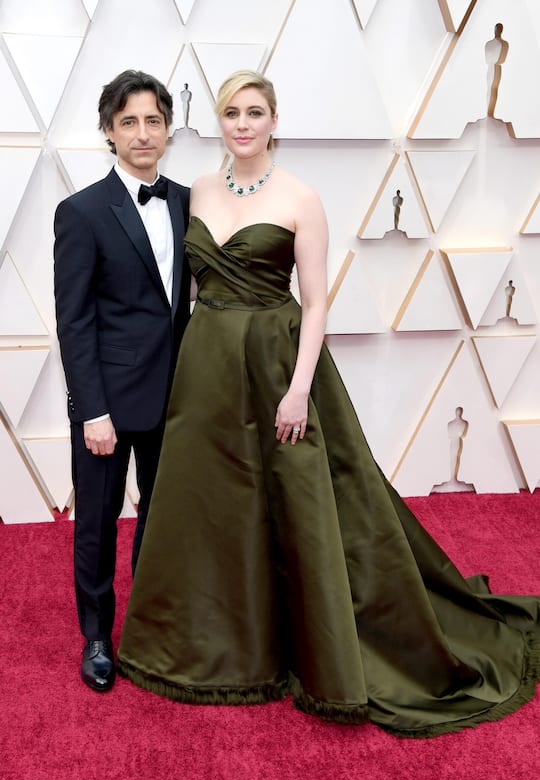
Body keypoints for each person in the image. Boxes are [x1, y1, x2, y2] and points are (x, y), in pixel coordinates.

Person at [117, 70, 539, 736]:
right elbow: (191, 291)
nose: (244, 123)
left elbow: (315, 303)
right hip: (207, 369)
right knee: (211, 508)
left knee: (299, 505)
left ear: (274, 120)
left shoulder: (300, 198)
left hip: (280, 364)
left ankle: (313, 645)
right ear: (219, 122)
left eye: (255, 112)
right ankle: (209, 648)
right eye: (232, 112)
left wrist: (298, 390)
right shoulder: (197, 189)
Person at [54, 69, 191, 693]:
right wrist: (91, 411)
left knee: (165, 522)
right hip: (106, 404)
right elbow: (74, 323)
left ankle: (151, 626)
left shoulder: (190, 201)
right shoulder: (80, 212)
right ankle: (99, 635)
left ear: (168, 129)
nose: (143, 133)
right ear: (109, 131)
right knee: (99, 523)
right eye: (129, 121)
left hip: (177, 399)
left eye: (153, 121)